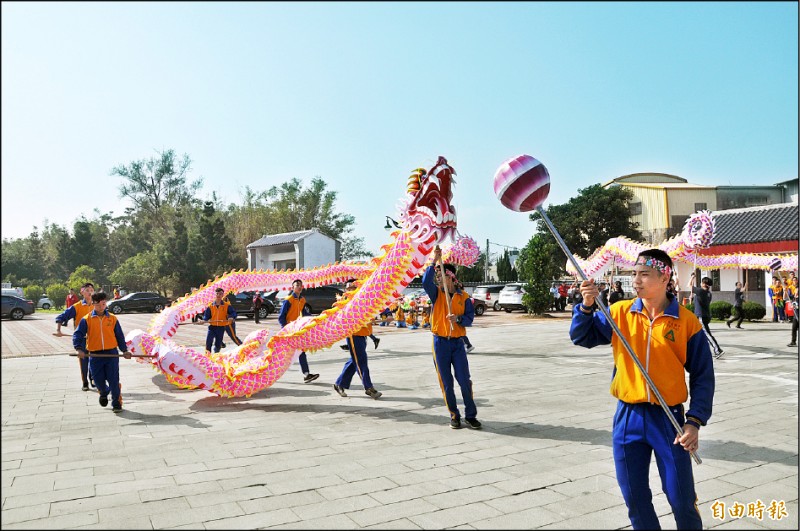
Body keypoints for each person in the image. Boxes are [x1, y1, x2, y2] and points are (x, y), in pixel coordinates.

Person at [570, 249, 714, 530]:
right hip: (628, 418)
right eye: (633, 274)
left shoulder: (687, 322)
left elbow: (703, 376)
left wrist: (694, 421)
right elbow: (582, 336)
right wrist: (586, 306)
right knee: (635, 499)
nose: (636, 281)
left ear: (664, 277)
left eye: (644, 275)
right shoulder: (619, 312)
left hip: (669, 420)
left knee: (681, 499)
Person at [422, 248, 480, 430]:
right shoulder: (437, 294)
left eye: (441, 275)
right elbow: (425, 281)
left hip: (457, 343)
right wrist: (434, 261)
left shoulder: (464, 297)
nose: (438, 278)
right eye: (437, 275)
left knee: (464, 380)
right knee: (446, 382)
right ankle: (454, 415)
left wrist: (459, 319)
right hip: (440, 343)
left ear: (451, 278)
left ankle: (470, 415)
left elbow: (469, 320)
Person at [73, 291, 131, 412]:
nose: (101, 307)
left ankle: (116, 403)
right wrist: (79, 349)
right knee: (96, 379)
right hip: (94, 355)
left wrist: (124, 350)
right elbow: (78, 335)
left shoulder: (113, 319)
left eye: (103, 304)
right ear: (93, 304)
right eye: (98, 305)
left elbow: (119, 336)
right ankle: (104, 392)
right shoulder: (86, 320)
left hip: (111, 354)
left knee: (113, 379)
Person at [333, 279, 382, 399]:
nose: (352, 290)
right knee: (361, 361)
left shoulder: (362, 299)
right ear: (345, 290)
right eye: (349, 288)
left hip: (363, 335)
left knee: (354, 361)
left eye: (354, 287)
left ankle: (340, 383)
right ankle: (369, 388)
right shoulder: (345, 302)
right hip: (354, 335)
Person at [55, 282, 96, 391]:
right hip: (81, 338)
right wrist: (58, 330)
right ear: (82, 292)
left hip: (94, 338)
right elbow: (62, 316)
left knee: (94, 359)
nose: (90, 292)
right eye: (87, 290)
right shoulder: (77, 306)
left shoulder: (97, 305)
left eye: (92, 290)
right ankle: (85, 382)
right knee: (83, 360)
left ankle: (93, 379)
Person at [278, 279, 319, 383]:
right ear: (293, 287)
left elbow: (304, 313)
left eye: (301, 285)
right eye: (297, 285)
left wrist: (315, 318)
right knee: (282, 354)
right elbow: (281, 317)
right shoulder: (289, 299)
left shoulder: (302, 299)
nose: (299, 287)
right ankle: (270, 373)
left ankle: (306, 374)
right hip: (288, 331)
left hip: (296, 330)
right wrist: (286, 329)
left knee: (301, 351)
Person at [688, 273, 723, 358]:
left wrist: (692, 277)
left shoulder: (701, 291)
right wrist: (692, 298)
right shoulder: (708, 293)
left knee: (707, 334)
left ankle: (717, 349)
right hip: (704, 315)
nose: (700, 284)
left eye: (701, 282)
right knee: (698, 335)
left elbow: (689, 285)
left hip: (701, 316)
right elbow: (699, 300)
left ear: (703, 284)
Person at [202, 288, 241, 353]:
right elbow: (207, 315)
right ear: (214, 295)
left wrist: (231, 317)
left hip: (221, 327)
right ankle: (207, 356)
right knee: (208, 341)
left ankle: (216, 355)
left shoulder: (226, 305)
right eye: (217, 294)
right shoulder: (210, 306)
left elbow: (233, 312)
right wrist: (204, 320)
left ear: (223, 295)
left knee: (218, 343)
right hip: (212, 327)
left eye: (220, 294)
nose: (218, 295)